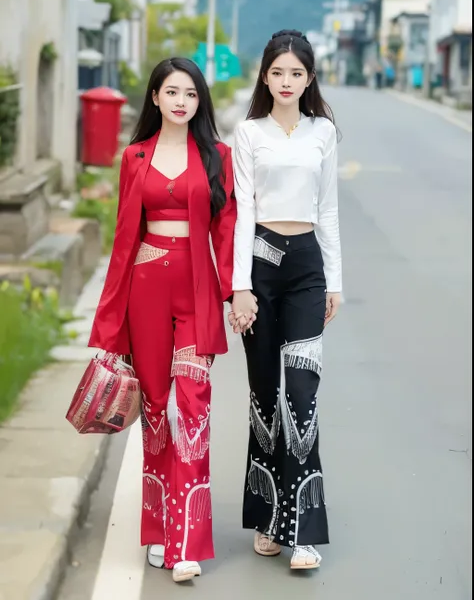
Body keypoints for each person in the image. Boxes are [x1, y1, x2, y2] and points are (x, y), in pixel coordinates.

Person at [89, 57, 236, 583]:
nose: (181, 101)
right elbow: (124, 239)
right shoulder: (135, 157)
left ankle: (188, 542)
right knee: (155, 413)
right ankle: (156, 531)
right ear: (154, 98)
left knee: (191, 412)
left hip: (195, 295)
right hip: (146, 292)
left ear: (200, 102)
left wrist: (232, 291)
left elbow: (227, 229)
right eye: (172, 92)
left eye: (191, 94)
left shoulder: (217, 155)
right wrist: (109, 325)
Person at [229, 30, 342, 571]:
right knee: (264, 396)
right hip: (260, 265)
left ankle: (303, 531)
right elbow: (243, 213)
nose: (287, 82)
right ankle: (268, 518)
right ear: (265, 77)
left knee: (302, 390)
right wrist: (240, 285)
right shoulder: (249, 133)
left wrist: (335, 281)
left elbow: (329, 211)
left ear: (309, 78)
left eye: (297, 74)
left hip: (306, 271)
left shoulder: (324, 133)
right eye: (278, 73)